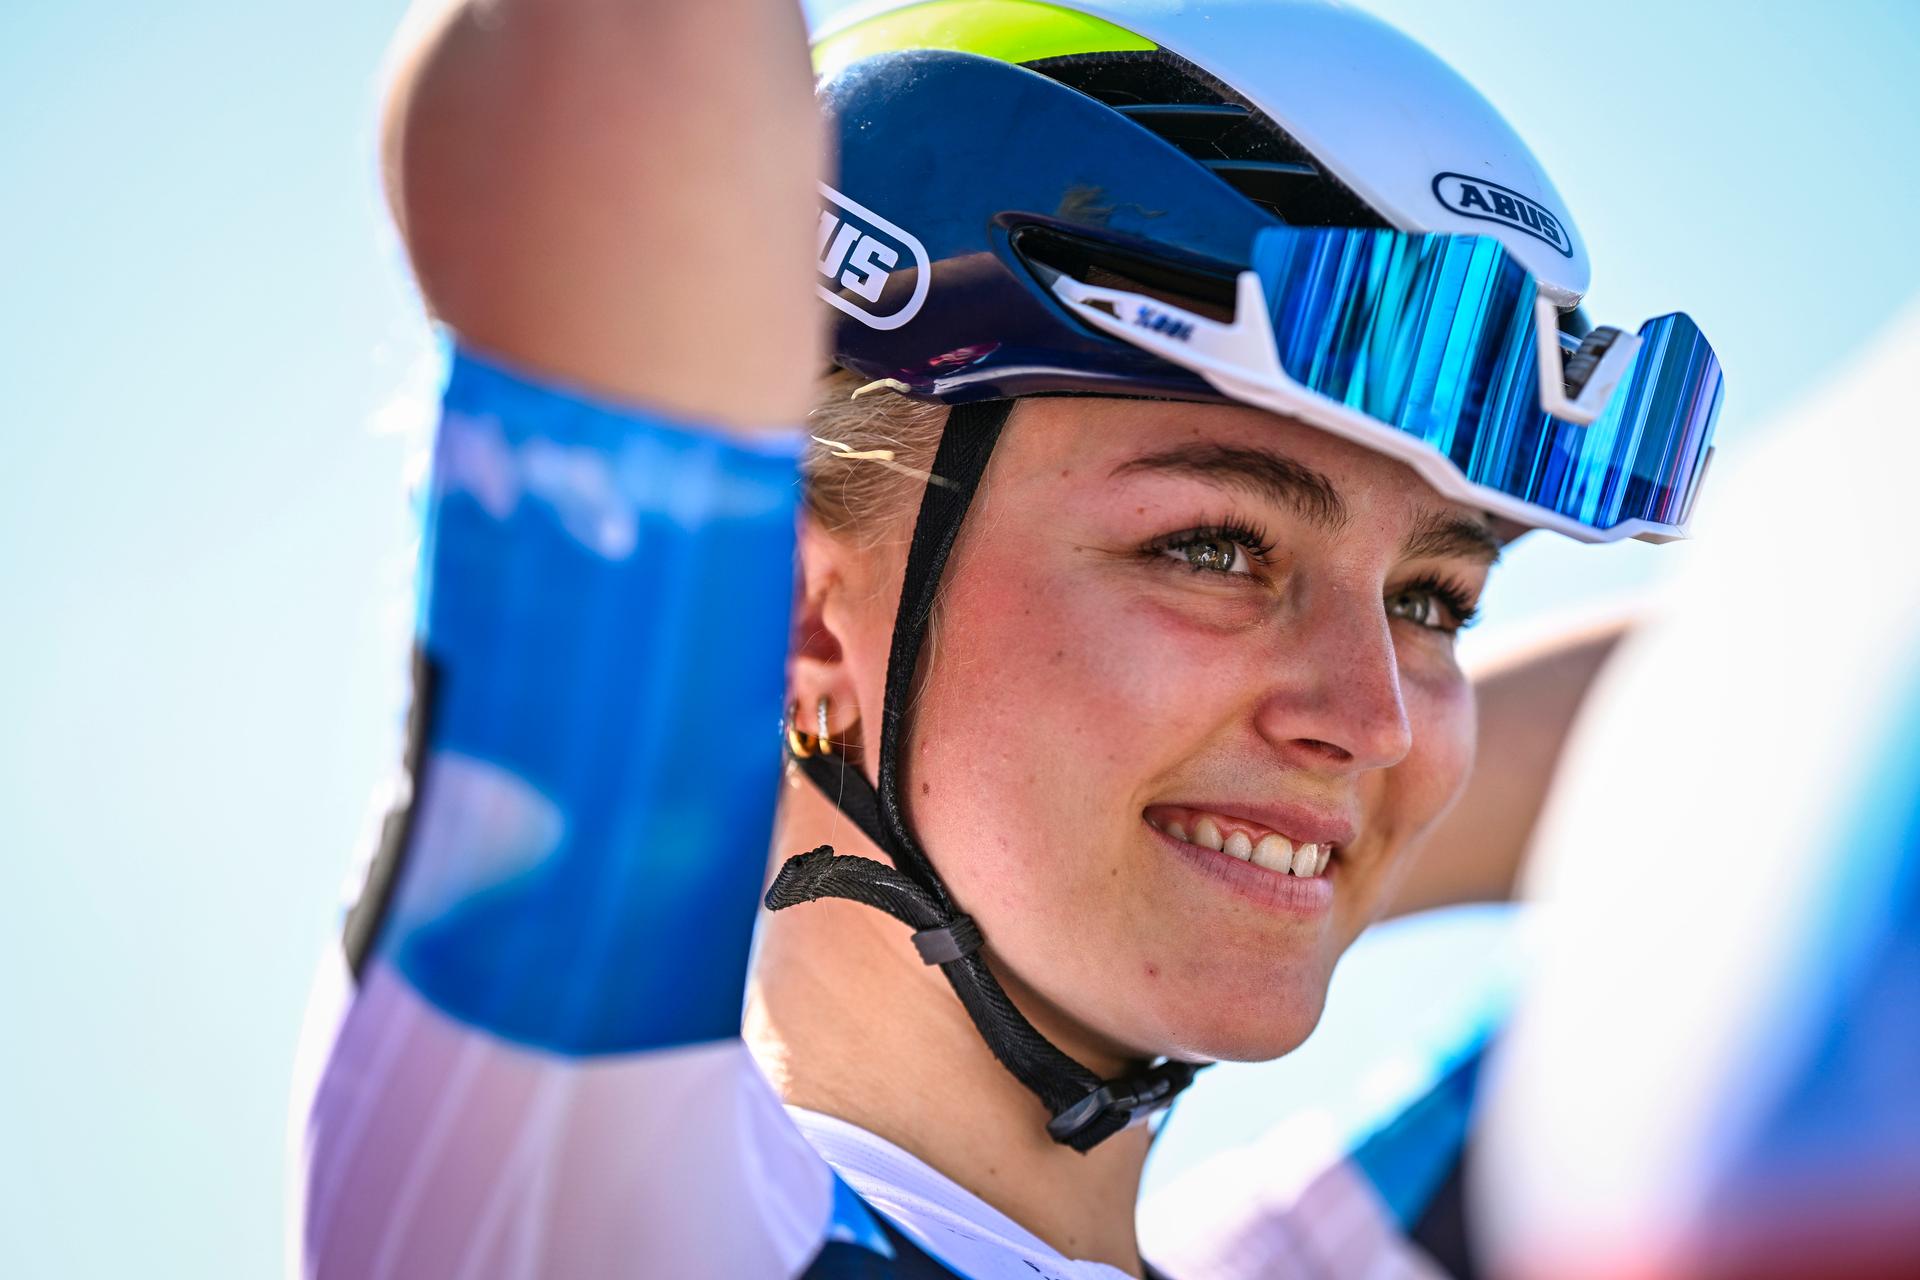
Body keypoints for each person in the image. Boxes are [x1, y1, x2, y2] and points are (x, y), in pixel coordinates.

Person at [293, 2, 1723, 1276]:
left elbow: (1798, 708)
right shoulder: (593, 1221)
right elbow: (603, 50)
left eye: (1432, 603)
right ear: (799, 617)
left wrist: (1279, 846)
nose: (1375, 720)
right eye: (1214, 549)